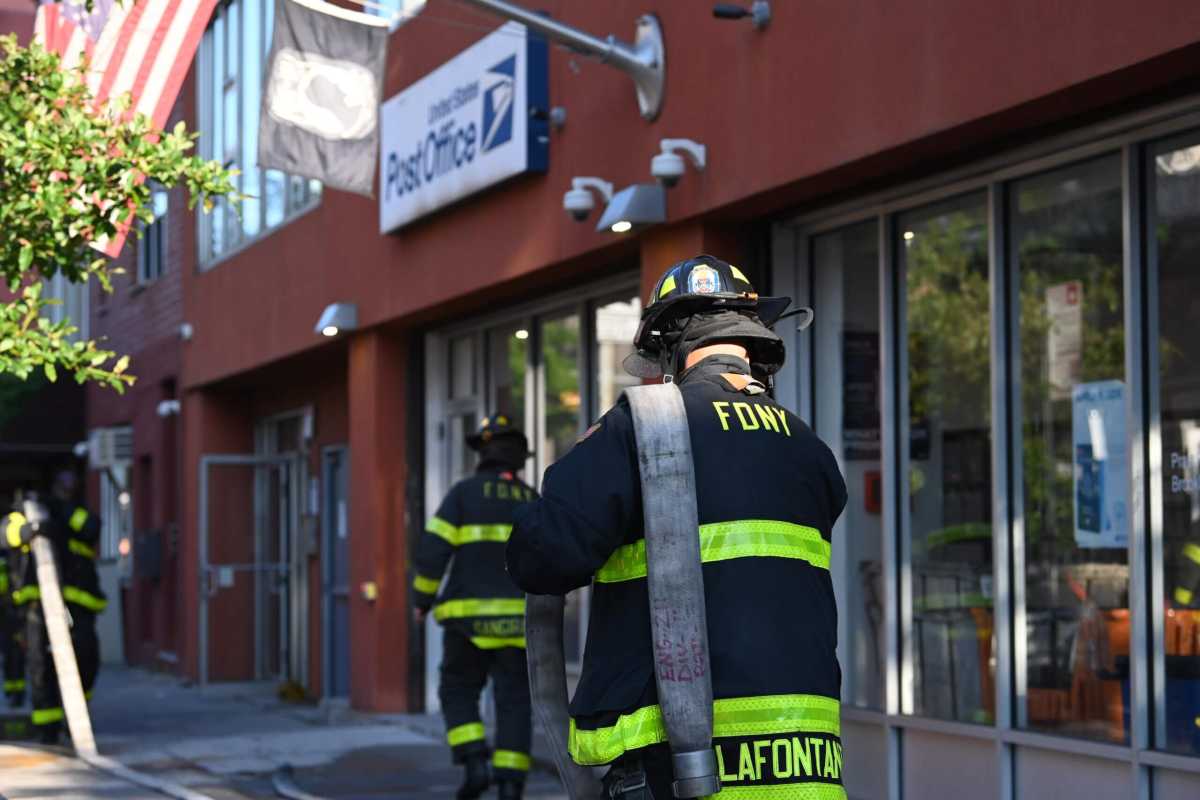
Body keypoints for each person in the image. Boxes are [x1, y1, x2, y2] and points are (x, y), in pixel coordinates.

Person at [507, 255, 848, 799]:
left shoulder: (641, 426)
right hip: (804, 763)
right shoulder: (808, 448)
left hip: (678, 767)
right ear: (756, 348)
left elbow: (544, 555)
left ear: (669, 350)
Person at [413, 415, 538, 800]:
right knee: (515, 702)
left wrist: (422, 600)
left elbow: (434, 551)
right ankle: (511, 785)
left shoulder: (464, 494)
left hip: (467, 624)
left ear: (483, 453)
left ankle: (474, 764)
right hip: (519, 626)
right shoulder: (532, 499)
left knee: (457, 690)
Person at [4, 470, 106, 744]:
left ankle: (74, 714)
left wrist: (62, 510)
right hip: (38, 605)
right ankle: (47, 728)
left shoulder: (72, 512)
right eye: (62, 485)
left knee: (86, 656)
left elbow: (92, 528)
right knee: (40, 665)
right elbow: (6, 532)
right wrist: (30, 529)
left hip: (75, 606)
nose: (67, 488)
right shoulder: (26, 512)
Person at [0, 541, 26, 707]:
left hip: (13, 612)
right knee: (11, 654)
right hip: (8, 612)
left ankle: (16, 692)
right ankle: (13, 690)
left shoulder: (10, 556)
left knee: (14, 654)